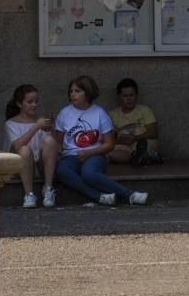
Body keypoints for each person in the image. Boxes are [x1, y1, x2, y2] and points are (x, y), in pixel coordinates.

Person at [53, 75, 148, 207]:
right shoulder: (64, 113)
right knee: (61, 171)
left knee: (89, 174)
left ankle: (130, 195)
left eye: (77, 91)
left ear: (88, 92)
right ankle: (99, 197)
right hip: (71, 157)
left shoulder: (99, 113)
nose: (73, 95)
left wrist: (89, 152)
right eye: (71, 91)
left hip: (95, 155)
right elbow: (58, 142)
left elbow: (109, 144)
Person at [4, 84, 60, 208]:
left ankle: (48, 189)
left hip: (40, 164)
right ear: (19, 104)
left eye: (36, 101)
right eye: (30, 102)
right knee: (24, 149)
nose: (34, 105)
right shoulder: (11, 123)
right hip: (21, 165)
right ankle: (29, 194)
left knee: (50, 141)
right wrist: (35, 127)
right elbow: (16, 146)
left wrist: (52, 129)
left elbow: (55, 148)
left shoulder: (41, 121)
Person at [107, 78, 161, 167]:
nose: (129, 99)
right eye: (125, 96)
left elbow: (153, 133)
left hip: (142, 143)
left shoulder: (145, 110)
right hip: (123, 146)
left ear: (136, 95)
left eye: (131, 95)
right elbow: (108, 138)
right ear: (119, 96)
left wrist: (135, 138)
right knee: (108, 150)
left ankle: (140, 156)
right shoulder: (111, 114)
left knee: (147, 144)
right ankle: (141, 158)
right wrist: (122, 140)